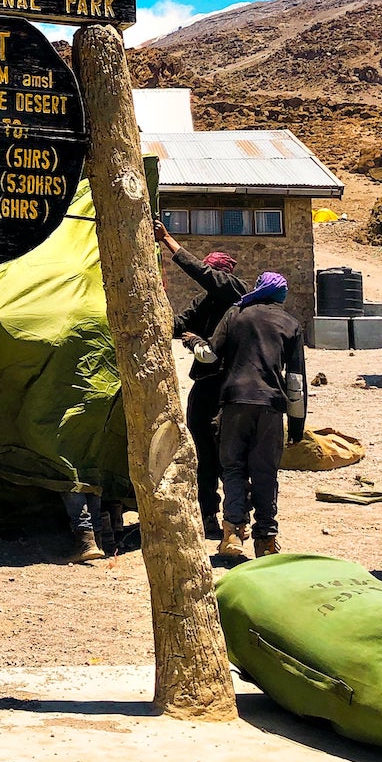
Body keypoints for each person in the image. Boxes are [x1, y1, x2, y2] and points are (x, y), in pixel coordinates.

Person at [154, 220, 247, 539]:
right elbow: (180, 324)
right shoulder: (206, 301)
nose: (207, 280)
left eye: (212, 274)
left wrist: (169, 242)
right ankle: (208, 515)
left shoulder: (237, 293)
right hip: (206, 383)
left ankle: (235, 519)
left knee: (229, 454)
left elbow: (203, 274)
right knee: (202, 453)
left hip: (230, 385)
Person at [208, 271, 306, 561]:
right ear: (280, 296)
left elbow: (213, 353)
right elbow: (296, 379)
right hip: (271, 405)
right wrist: (297, 424)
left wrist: (192, 342)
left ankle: (233, 533)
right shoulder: (290, 323)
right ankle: (266, 539)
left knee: (234, 467)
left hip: (235, 400)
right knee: (265, 472)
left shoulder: (236, 314)